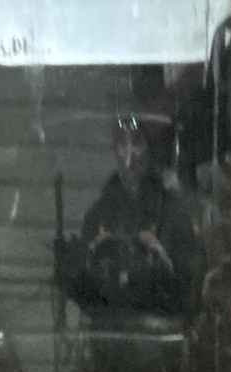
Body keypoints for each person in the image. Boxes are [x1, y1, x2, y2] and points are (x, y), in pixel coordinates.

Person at [67, 115, 203, 320]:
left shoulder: (173, 211)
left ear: (150, 149)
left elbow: (190, 290)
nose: (129, 154)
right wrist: (84, 267)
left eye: (137, 142)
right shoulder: (98, 215)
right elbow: (87, 301)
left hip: (162, 335)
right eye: (122, 143)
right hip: (107, 338)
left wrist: (164, 261)